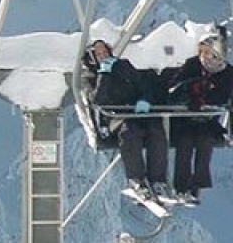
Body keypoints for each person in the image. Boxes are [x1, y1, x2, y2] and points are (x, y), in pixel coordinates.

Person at [87, 39, 171, 201]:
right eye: (98, 54)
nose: (103, 56)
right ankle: (136, 179)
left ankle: (158, 180)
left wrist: (145, 99)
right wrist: (104, 74)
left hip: (136, 111)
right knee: (130, 133)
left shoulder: (124, 66)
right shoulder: (94, 75)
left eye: (104, 52)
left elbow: (144, 87)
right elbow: (98, 99)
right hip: (115, 116)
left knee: (156, 130)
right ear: (93, 58)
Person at [167, 34, 233, 205]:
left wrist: (208, 97)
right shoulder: (192, 65)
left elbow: (225, 95)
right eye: (203, 53)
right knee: (185, 144)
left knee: (205, 144)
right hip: (185, 119)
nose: (206, 58)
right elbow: (174, 89)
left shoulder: (227, 73)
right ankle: (181, 187)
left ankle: (196, 186)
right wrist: (193, 89)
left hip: (207, 120)